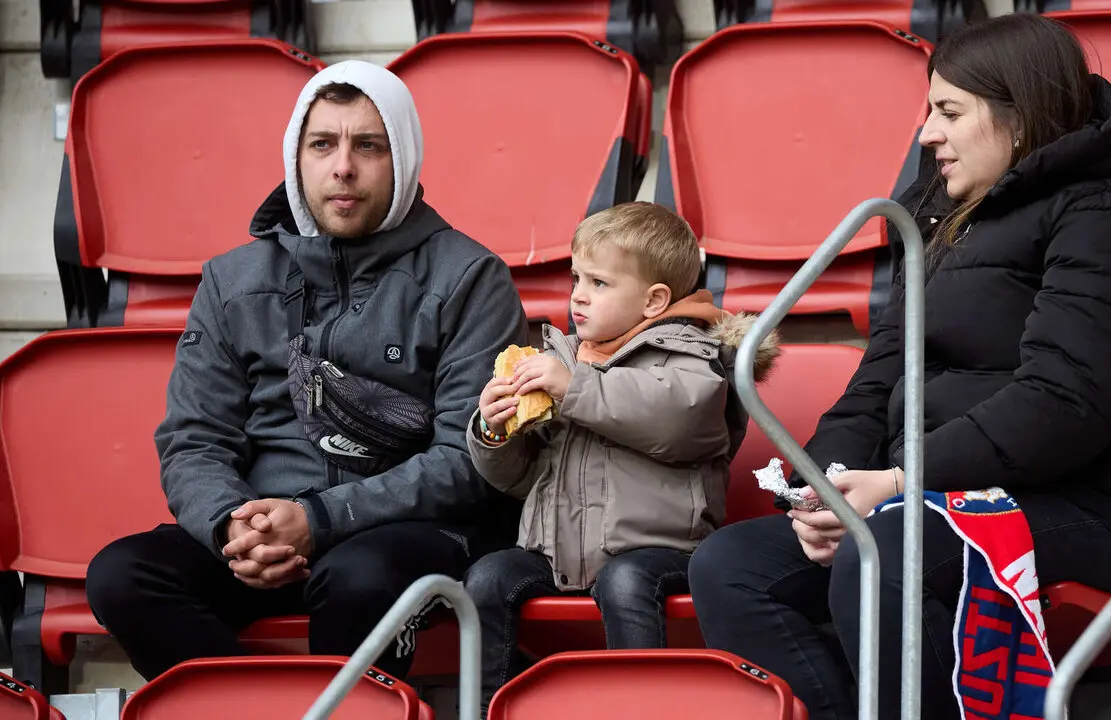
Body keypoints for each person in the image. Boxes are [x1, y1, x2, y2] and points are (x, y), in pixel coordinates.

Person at [687, 14, 1111, 720]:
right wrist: (826, 486)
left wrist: (906, 480)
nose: (927, 134)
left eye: (949, 112)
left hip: (1110, 511)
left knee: (891, 554)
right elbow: (877, 379)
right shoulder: (943, 224)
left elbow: (1064, 404)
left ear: (1020, 118)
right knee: (730, 568)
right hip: (945, 500)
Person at [84, 60, 528, 682]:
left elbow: (467, 458)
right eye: (322, 144)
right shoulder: (232, 279)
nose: (342, 166)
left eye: (367, 146)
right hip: (262, 531)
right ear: (297, 158)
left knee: (358, 577)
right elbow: (194, 439)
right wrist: (231, 526)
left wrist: (319, 520)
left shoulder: (470, 277)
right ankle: (268, 706)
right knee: (122, 576)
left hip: (405, 533)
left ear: (402, 159)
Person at [463, 201, 778, 711]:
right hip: (558, 552)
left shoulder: (692, 358)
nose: (578, 297)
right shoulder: (565, 359)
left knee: (626, 580)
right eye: (575, 279)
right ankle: (490, 706)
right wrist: (496, 433)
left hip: (663, 549)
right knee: (489, 576)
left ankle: (638, 706)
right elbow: (522, 479)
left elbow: (676, 419)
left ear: (654, 300)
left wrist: (575, 389)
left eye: (599, 283)